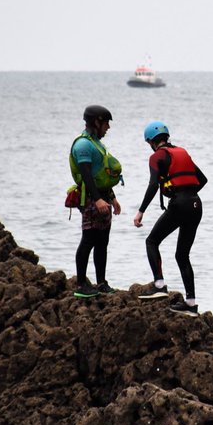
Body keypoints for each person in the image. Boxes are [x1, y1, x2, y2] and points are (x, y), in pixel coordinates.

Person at [133, 121, 207, 315]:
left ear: (150, 141)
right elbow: (203, 179)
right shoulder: (182, 152)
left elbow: (153, 185)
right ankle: (191, 304)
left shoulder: (157, 156)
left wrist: (141, 211)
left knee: (152, 241)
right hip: (196, 204)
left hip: (180, 204)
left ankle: (159, 285)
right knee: (182, 255)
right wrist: (187, 193)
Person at [69, 105, 122, 298]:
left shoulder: (96, 143)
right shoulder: (83, 145)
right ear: (97, 122)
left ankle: (101, 283)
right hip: (91, 199)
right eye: (106, 123)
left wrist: (112, 198)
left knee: (102, 241)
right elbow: (86, 175)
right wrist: (98, 199)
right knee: (89, 239)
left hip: (103, 197)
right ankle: (81, 284)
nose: (108, 127)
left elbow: (101, 175)